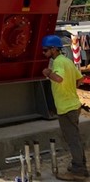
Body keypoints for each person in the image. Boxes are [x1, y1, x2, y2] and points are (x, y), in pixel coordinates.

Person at [41, 35, 88, 181]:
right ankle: (80, 165)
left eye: (45, 50)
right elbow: (80, 79)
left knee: (72, 139)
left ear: (54, 49)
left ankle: (78, 171)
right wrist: (70, 88)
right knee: (75, 137)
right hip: (73, 105)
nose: (44, 53)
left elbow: (59, 79)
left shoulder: (58, 63)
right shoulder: (67, 61)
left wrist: (48, 73)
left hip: (66, 108)